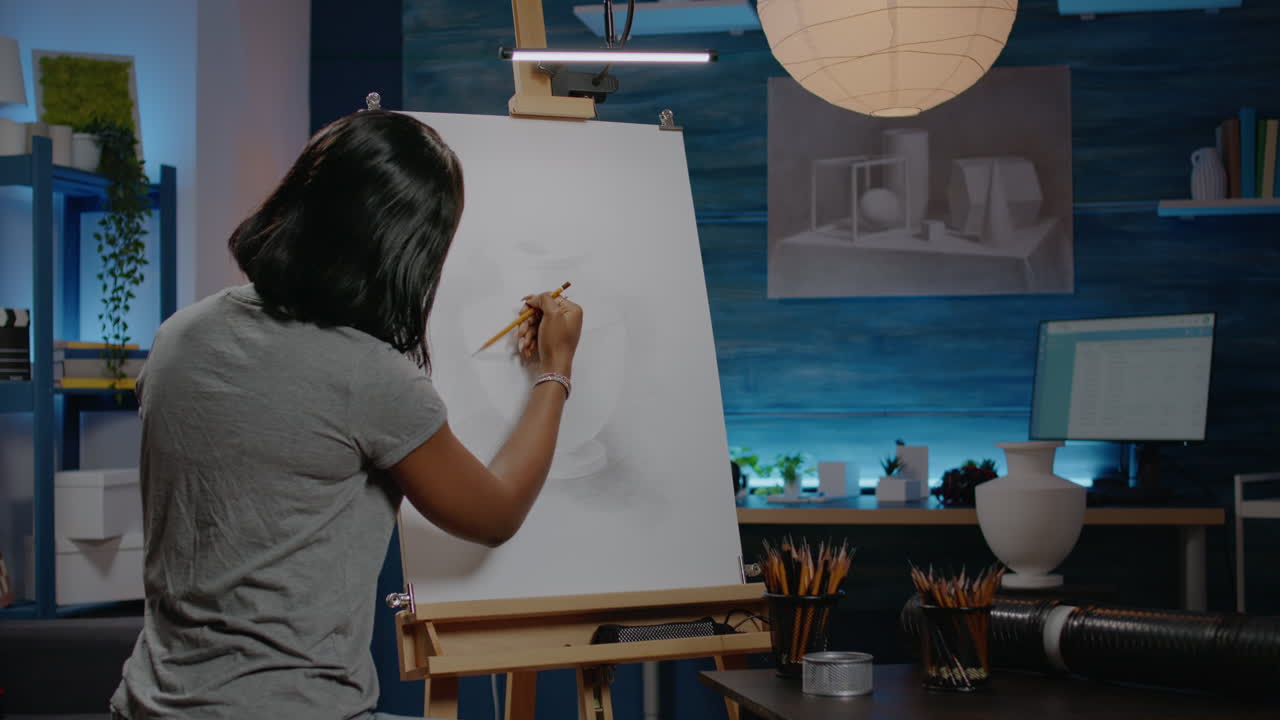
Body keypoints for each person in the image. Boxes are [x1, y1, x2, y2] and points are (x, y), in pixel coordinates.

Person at [110, 110, 584, 719]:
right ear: (404, 254)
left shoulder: (179, 335)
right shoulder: (367, 376)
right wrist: (555, 369)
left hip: (147, 704)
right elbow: (496, 513)